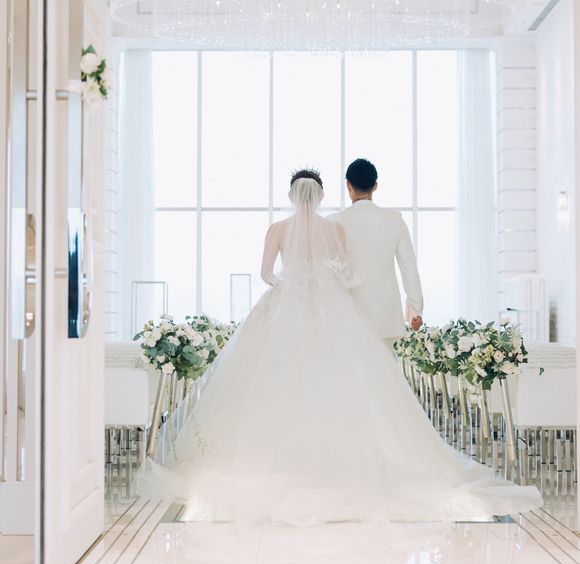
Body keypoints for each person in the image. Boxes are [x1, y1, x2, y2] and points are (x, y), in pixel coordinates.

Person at [137, 169, 542, 525]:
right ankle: (340, 461)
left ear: (292, 195)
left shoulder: (277, 229)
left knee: (275, 380)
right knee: (336, 380)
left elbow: (266, 274)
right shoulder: (334, 229)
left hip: (284, 308)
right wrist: (326, 283)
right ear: (322, 196)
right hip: (329, 309)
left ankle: (279, 458)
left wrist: (290, 286)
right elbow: (348, 274)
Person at [330, 159, 423, 349]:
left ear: (348, 185)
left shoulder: (334, 221)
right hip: (385, 317)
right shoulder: (394, 220)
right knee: (385, 367)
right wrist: (415, 311)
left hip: (346, 315)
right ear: (375, 186)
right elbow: (409, 267)